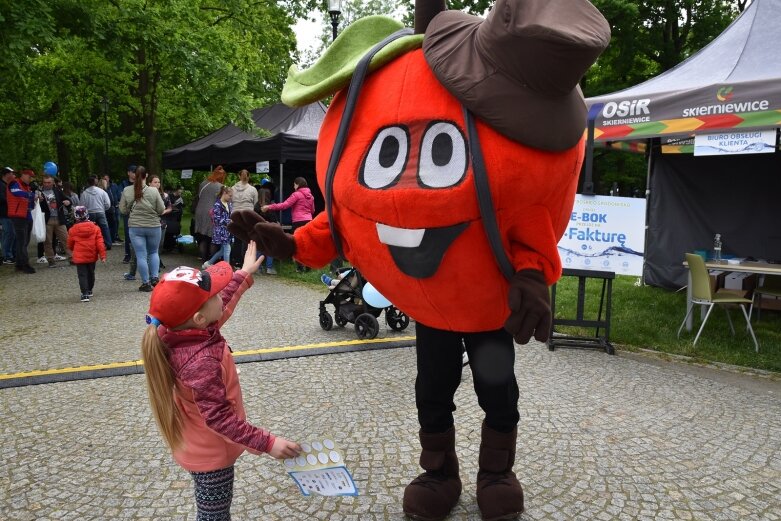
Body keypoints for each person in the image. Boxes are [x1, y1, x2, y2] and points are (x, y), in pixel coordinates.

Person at [141, 243, 301, 520]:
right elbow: (219, 419)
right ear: (199, 318)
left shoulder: (179, 332)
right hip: (211, 457)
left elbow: (221, 304)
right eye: (212, 293)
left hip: (197, 444)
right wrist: (268, 443)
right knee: (214, 516)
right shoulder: (200, 361)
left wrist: (243, 274)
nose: (220, 297)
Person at [119, 166, 165, 292]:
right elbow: (161, 209)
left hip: (135, 227)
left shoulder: (127, 190)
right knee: (153, 252)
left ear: (133, 176)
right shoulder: (154, 191)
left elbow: (122, 210)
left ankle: (145, 283)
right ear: (146, 175)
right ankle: (155, 277)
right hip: (153, 226)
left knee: (141, 255)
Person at [260, 176, 313, 272]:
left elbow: (284, 205)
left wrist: (269, 207)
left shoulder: (296, 194)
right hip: (309, 221)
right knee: (307, 244)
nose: (293, 186)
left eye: (294, 184)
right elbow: (312, 210)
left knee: (297, 245)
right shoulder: (310, 196)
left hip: (298, 222)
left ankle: (299, 268)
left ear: (297, 184)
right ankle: (308, 267)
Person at [67, 206, 107, 302]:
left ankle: (84, 294)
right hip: (91, 255)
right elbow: (100, 243)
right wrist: (103, 256)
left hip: (79, 256)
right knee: (91, 273)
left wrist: (73, 249)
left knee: (82, 275)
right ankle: (89, 289)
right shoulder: (95, 228)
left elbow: (70, 244)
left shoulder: (73, 230)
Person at [192, 166, 225, 263]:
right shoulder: (220, 187)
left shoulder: (203, 183)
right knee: (212, 238)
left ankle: (203, 259)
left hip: (200, 211)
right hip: (211, 213)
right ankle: (211, 262)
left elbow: (199, 196)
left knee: (203, 237)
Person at [7, 168, 37, 273]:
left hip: (26, 215)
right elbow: (16, 193)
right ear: (23, 175)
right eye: (30, 177)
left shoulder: (26, 186)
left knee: (24, 241)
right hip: (18, 216)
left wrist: (34, 200)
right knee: (22, 241)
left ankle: (19, 264)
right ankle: (25, 265)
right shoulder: (14, 183)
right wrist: (31, 195)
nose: (31, 179)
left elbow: (28, 201)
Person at [40, 174, 72, 267]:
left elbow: (67, 199)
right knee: (48, 241)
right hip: (47, 220)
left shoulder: (57, 191)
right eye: (45, 182)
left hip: (59, 219)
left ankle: (72, 257)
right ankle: (51, 260)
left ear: (53, 182)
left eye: (49, 182)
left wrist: (68, 202)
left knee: (66, 239)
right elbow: (35, 206)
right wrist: (38, 200)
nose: (47, 184)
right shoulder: (39, 192)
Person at [230, 169, 258, 267]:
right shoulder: (253, 189)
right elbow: (255, 203)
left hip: (236, 216)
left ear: (239, 176)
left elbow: (230, 202)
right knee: (246, 239)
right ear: (248, 177)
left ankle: (236, 261)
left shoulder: (232, 188)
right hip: (247, 216)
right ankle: (245, 262)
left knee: (237, 239)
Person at [202, 186, 232, 269]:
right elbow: (217, 219)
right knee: (227, 248)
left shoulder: (229, 204)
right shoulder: (217, 204)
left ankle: (208, 263)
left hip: (227, 230)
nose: (231, 197)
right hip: (220, 230)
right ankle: (226, 268)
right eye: (230, 195)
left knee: (223, 250)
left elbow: (230, 215)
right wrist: (229, 221)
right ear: (224, 193)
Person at [80, 175, 112, 251]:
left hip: (90, 213)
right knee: (104, 228)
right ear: (96, 182)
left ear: (88, 183)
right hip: (100, 212)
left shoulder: (85, 193)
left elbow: (82, 205)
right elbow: (108, 203)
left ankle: (92, 244)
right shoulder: (102, 191)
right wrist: (103, 209)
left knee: (91, 230)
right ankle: (108, 244)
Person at [149, 174, 172, 270]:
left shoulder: (165, 195)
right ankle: (154, 265)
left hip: (161, 223)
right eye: (155, 182)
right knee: (151, 245)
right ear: (149, 183)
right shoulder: (146, 194)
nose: (157, 184)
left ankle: (156, 262)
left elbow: (170, 207)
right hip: (149, 222)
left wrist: (164, 211)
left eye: (158, 182)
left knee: (159, 244)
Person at [256, 178, 277, 274]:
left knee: (259, 248)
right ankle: (269, 268)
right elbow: (273, 218)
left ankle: (258, 267)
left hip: (259, 228)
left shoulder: (256, 206)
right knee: (270, 248)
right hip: (269, 229)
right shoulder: (270, 205)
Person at [0, 166, 17, 264]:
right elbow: (1, 199)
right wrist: (12, 200)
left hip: (11, 213)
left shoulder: (8, 185)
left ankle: (12, 254)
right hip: (4, 214)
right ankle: (6, 256)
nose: (13, 175)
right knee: (8, 234)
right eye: (11, 173)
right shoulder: (1, 185)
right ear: (6, 174)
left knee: (12, 234)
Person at [120, 165, 136, 262]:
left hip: (138, 211)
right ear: (128, 173)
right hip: (127, 212)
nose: (134, 174)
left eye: (136, 172)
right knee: (128, 233)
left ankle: (137, 254)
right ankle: (128, 254)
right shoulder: (124, 184)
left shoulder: (140, 183)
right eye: (133, 172)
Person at [103, 174, 124, 244]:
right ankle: (111, 237)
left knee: (117, 221)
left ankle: (116, 235)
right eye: (104, 179)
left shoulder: (114, 185)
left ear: (109, 178)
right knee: (111, 222)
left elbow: (118, 194)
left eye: (107, 178)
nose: (106, 180)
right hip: (108, 207)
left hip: (116, 206)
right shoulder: (104, 187)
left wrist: (118, 200)